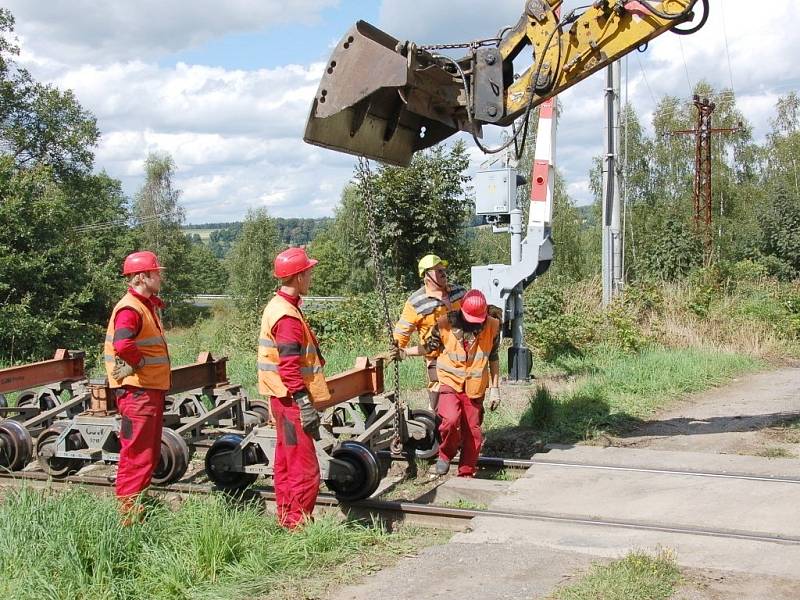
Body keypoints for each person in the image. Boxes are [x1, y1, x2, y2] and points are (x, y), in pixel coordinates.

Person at [257, 247, 330, 529]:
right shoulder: (287, 317)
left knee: (286, 463)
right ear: (298, 277)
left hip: (281, 399)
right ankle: (298, 525)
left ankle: (288, 520)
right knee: (304, 467)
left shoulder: (279, 306)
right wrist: (303, 402)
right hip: (291, 401)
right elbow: (288, 366)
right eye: (309, 272)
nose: (311, 276)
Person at [393, 289, 501, 477]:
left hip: (474, 386)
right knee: (450, 421)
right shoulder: (444, 323)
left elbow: (493, 358)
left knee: (473, 431)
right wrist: (404, 353)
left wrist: (495, 389)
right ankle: (445, 454)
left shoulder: (492, 326)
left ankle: (466, 472)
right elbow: (429, 347)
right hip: (450, 381)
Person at [103, 250, 170, 525]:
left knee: (145, 454)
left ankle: (135, 513)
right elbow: (122, 344)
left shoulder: (144, 304)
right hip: (137, 393)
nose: (160, 276)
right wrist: (138, 361)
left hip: (145, 391)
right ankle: (128, 520)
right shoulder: (131, 308)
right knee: (137, 456)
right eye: (156, 272)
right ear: (142, 277)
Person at [392, 254, 466, 411]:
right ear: (426, 276)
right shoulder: (416, 302)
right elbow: (402, 330)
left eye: (443, 268)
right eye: (437, 270)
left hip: (464, 355)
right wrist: (397, 348)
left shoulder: (459, 292)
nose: (443, 272)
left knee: (466, 398)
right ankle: (435, 428)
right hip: (436, 359)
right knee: (440, 401)